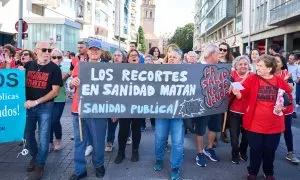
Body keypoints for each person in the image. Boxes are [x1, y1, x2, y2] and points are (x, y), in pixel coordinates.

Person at [232, 55, 291, 180]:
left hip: (274, 125)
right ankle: (252, 171)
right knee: (255, 150)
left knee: (270, 150)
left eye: (260, 66)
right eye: (257, 65)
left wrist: (283, 106)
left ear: (269, 69)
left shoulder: (279, 81)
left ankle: (268, 172)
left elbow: (288, 97)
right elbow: (243, 93)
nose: (256, 68)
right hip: (254, 124)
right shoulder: (253, 78)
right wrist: (237, 93)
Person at [23, 41, 63, 180]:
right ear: (36, 51)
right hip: (29, 107)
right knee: (28, 136)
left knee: (44, 138)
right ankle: (35, 156)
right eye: (44, 49)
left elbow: (55, 92)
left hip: (45, 107)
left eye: (49, 50)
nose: (47, 52)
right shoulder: (28, 65)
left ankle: (40, 165)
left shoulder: (54, 69)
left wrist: (37, 102)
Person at [69, 40, 108, 179]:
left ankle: (98, 165)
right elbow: (71, 83)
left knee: (98, 141)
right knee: (80, 142)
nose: (94, 52)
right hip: (79, 110)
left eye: (97, 49)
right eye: (92, 49)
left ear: (101, 52)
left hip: (98, 110)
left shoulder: (107, 68)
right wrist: (72, 83)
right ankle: (80, 170)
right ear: (88, 51)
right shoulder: (80, 65)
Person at [153, 48, 185, 180]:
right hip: (162, 110)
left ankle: (175, 167)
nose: (171, 58)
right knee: (160, 138)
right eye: (170, 56)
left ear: (181, 60)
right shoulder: (159, 71)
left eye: (174, 57)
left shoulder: (188, 73)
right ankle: (159, 159)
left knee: (177, 142)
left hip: (178, 113)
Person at [194, 44, 222, 167]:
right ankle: (199, 152)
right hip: (202, 104)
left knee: (214, 127)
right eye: (218, 54)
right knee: (200, 129)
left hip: (216, 103)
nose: (219, 56)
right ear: (211, 54)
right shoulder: (197, 67)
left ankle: (209, 148)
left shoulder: (220, 67)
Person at [114, 49, 143, 164]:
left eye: (136, 55)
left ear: (139, 59)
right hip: (124, 105)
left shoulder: (145, 70)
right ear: (128, 58)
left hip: (139, 106)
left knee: (136, 130)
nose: (134, 57)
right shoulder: (121, 70)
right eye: (131, 56)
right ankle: (121, 152)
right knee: (123, 130)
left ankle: (135, 151)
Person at [274, 55, 300, 164]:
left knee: (287, 129)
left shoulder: (286, 74)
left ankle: (290, 152)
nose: (275, 62)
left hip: (286, 106)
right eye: (273, 60)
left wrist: (283, 81)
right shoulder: (268, 74)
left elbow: (291, 88)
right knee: (273, 130)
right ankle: (270, 151)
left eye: (277, 61)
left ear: (282, 64)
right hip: (272, 106)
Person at [229, 55, 252, 164]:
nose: (243, 66)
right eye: (240, 64)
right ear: (236, 66)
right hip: (234, 111)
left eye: (245, 64)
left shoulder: (253, 76)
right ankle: (235, 153)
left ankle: (243, 151)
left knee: (247, 137)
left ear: (249, 66)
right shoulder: (231, 75)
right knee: (234, 137)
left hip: (248, 112)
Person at [104, 50, 127, 152]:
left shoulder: (128, 70)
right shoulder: (107, 69)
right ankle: (109, 141)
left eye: (119, 55)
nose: (116, 57)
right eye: (115, 55)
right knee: (111, 122)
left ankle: (128, 135)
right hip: (111, 100)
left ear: (123, 58)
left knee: (125, 123)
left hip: (125, 101)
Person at [49, 48, 70, 152]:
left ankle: (58, 139)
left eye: (59, 57)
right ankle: (49, 141)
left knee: (54, 120)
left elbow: (61, 78)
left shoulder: (65, 67)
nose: (56, 59)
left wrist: (54, 67)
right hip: (47, 98)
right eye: (53, 57)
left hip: (59, 98)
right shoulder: (46, 67)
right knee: (47, 120)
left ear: (62, 58)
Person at [218, 42, 233, 143]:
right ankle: (213, 136)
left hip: (227, 91)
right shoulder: (214, 60)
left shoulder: (231, 62)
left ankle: (223, 133)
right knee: (215, 114)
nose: (222, 52)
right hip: (215, 90)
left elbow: (233, 75)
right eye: (220, 49)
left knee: (225, 114)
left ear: (227, 51)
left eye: (224, 50)